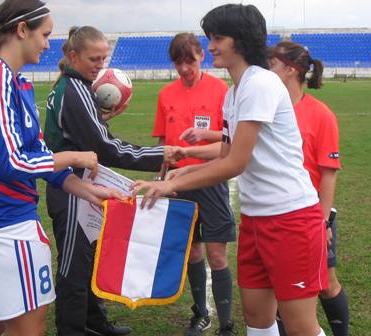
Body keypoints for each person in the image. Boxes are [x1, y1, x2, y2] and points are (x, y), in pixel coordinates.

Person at [132, 4, 329, 336]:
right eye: (210, 37)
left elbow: (236, 162)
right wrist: (181, 172)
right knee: (257, 319)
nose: (210, 46)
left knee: (300, 327)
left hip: (290, 219)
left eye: (218, 37)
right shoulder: (235, 92)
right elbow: (224, 151)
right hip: (255, 219)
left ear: (242, 40)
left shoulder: (260, 84)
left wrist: (168, 186)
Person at [0, 2, 122, 335]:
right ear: (22, 30)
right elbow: (14, 161)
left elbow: (38, 152)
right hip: (5, 226)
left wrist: (86, 189)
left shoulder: (15, 82)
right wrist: (75, 157)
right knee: (30, 327)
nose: (48, 44)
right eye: (45, 34)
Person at [43, 26, 179, 336]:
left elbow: (82, 135)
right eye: (94, 58)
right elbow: (105, 148)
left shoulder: (75, 86)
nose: (100, 65)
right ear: (73, 55)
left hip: (79, 184)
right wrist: (158, 154)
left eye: (104, 58)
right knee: (73, 266)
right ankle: (72, 329)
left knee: (88, 258)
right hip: (71, 186)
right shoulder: (76, 90)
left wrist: (103, 121)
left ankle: (94, 321)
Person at [152, 32, 236, 336]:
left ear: (201, 55)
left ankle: (226, 322)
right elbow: (163, 144)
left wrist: (192, 152)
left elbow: (228, 146)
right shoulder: (165, 95)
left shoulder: (221, 90)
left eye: (189, 60)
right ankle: (200, 313)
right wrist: (160, 180)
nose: (184, 68)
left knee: (216, 254)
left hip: (211, 179)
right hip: (177, 184)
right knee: (192, 253)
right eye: (178, 62)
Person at [268, 41, 349, 336]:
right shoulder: (268, 111)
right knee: (279, 288)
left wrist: (322, 221)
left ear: (290, 70)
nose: (267, 70)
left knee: (326, 283)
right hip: (277, 214)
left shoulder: (320, 114)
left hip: (313, 214)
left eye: (272, 64)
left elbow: (328, 174)